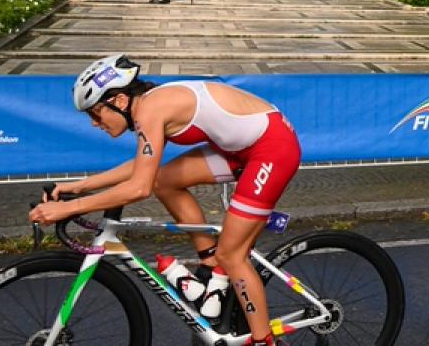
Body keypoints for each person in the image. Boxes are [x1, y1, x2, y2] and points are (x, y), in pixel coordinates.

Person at [30, 55, 301, 346]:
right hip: (238, 148)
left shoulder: (151, 109)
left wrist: (67, 208)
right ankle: (211, 271)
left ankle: (264, 341)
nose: (95, 123)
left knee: (232, 255)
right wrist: (76, 187)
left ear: (119, 101)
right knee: (166, 181)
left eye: (95, 114)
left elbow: (138, 188)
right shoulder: (147, 106)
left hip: (271, 149)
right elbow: (142, 167)